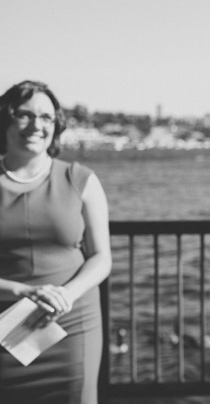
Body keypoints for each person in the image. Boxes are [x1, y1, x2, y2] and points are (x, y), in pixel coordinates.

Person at [0, 80, 112, 404]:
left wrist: (66, 295)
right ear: (6, 119)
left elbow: (101, 257)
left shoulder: (81, 179)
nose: (37, 125)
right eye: (25, 115)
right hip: (5, 325)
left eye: (47, 118)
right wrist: (21, 291)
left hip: (72, 323)